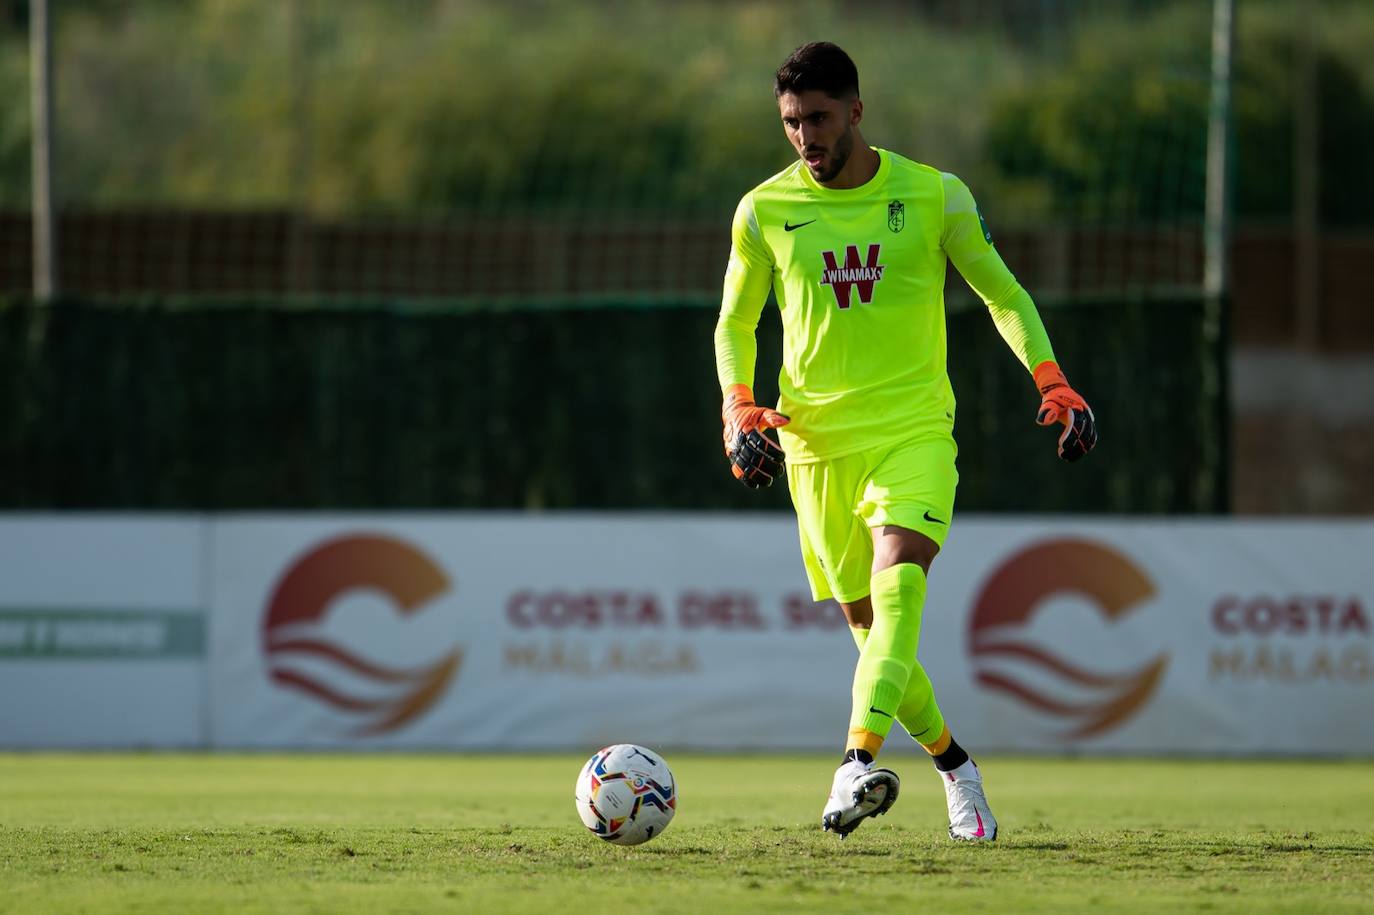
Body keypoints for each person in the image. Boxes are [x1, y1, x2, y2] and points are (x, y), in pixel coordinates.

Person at [713, 41, 1096, 841]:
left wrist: (1051, 379)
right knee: (875, 638)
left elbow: (1004, 293)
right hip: (814, 445)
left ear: (857, 109)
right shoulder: (763, 211)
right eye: (790, 122)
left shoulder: (932, 195)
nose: (805, 137)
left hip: (914, 431)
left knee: (899, 590)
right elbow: (736, 322)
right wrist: (737, 407)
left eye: (818, 118)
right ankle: (958, 768)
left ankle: (854, 761)